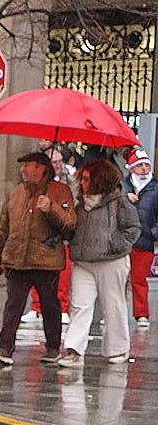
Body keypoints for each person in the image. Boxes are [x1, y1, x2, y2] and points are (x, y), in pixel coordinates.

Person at [0, 150, 76, 368]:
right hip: (17, 260)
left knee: (49, 306)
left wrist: (51, 209)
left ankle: (53, 347)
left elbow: (70, 226)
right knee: (13, 306)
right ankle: (4, 348)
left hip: (45, 262)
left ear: (41, 168)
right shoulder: (16, 192)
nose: (22, 170)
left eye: (27, 165)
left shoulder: (60, 191)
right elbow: (3, 226)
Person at [61, 156, 139, 367]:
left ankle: (118, 349)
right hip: (83, 261)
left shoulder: (118, 202)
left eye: (86, 179)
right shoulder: (79, 204)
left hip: (111, 261)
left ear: (99, 180)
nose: (82, 183)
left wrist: (116, 244)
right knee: (80, 305)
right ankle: (74, 349)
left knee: (113, 304)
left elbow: (133, 229)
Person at [130, 148, 154, 328]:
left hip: (144, 240)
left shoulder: (155, 189)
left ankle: (141, 313)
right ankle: (115, 313)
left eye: (146, 165)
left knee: (139, 279)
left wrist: (153, 233)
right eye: (140, 166)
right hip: (123, 241)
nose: (144, 169)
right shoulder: (123, 187)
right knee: (117, 281)